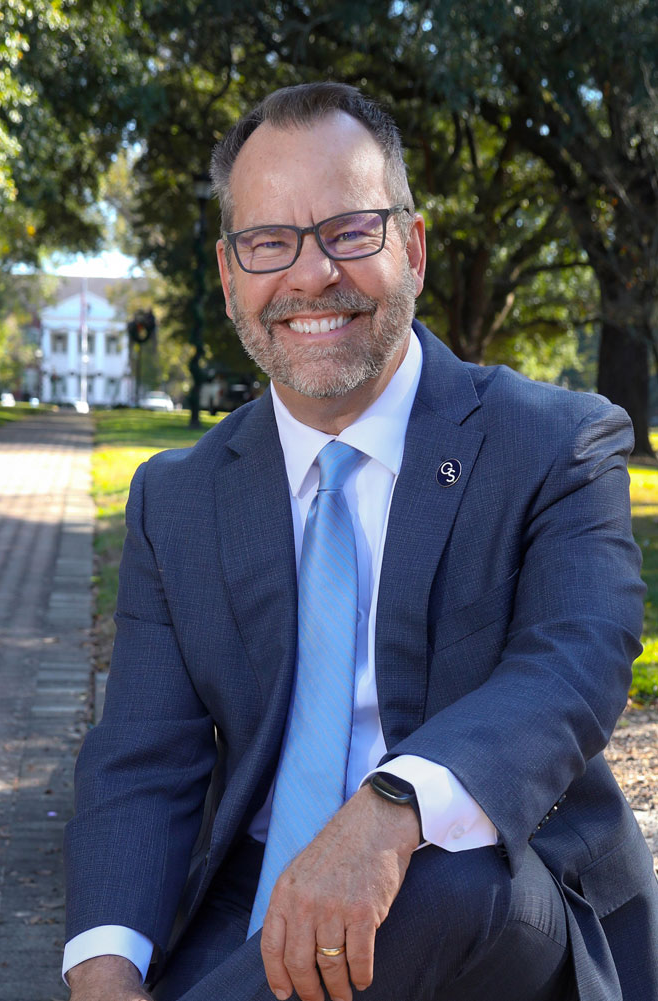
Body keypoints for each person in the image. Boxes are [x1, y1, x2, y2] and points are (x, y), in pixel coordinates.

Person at [63, 82, 658, 1001]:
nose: (310, 275)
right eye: (269, 242)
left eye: (348, 230)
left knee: (446, 879)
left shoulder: (553, 443)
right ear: (228, 274)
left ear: (411, 248)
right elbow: (143, 761)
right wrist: (103, 975)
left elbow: (571, 664)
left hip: (500, 892)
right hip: (257, 897)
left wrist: (389, 811)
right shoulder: (175, 499)